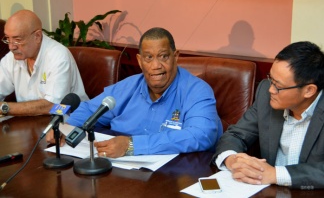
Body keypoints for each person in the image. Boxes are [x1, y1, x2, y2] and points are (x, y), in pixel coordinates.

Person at [47, 27, 222, 158]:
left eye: (163, 56)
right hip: (122, 173)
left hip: (175, 177)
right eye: (149, 57)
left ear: (175, 57)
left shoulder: (197, 90)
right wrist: (67, 129)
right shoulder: (128, 86)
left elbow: (202, 135)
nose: (156, 66)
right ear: (139, 61)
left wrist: (132, 145)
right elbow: (89, 109)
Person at [212, 41, 324, 189]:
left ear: (309, 90)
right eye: (270, 79)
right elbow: (235, 135)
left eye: (278, 86)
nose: (271, 89)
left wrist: (275, 174)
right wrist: (233, 159)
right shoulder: (266, 95)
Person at [0, 9, 88, 116]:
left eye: (17, 39)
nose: (11, 46)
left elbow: (53, 106)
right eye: (8, 39)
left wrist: (5, 108)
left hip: (66, 123)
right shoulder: (13, 57)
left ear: (37, 36)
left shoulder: (58, 56)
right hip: (29, 123)